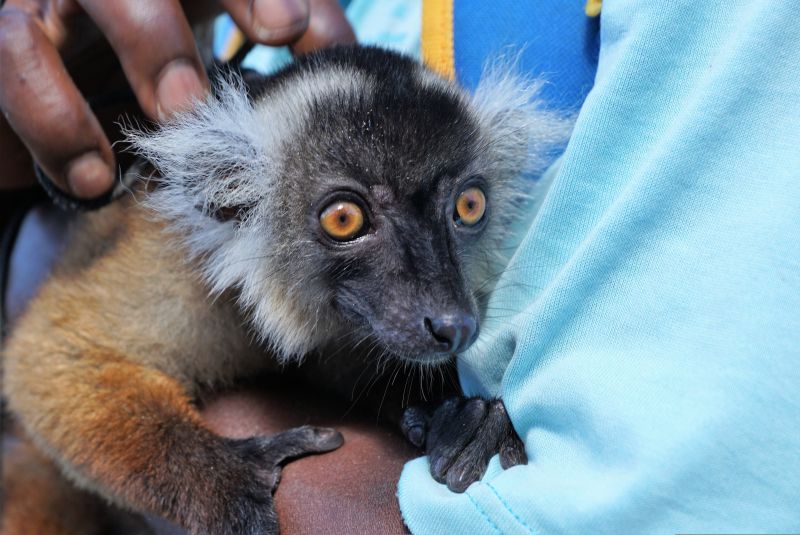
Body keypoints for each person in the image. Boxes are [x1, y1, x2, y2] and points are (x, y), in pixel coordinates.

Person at [4, 1, 800, 534]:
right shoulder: (183, 256)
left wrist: (432, 413)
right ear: (237, 200)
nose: (447, 308)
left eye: (461, 211)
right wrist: (212, 482)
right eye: (347, 219)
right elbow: (56, 368)